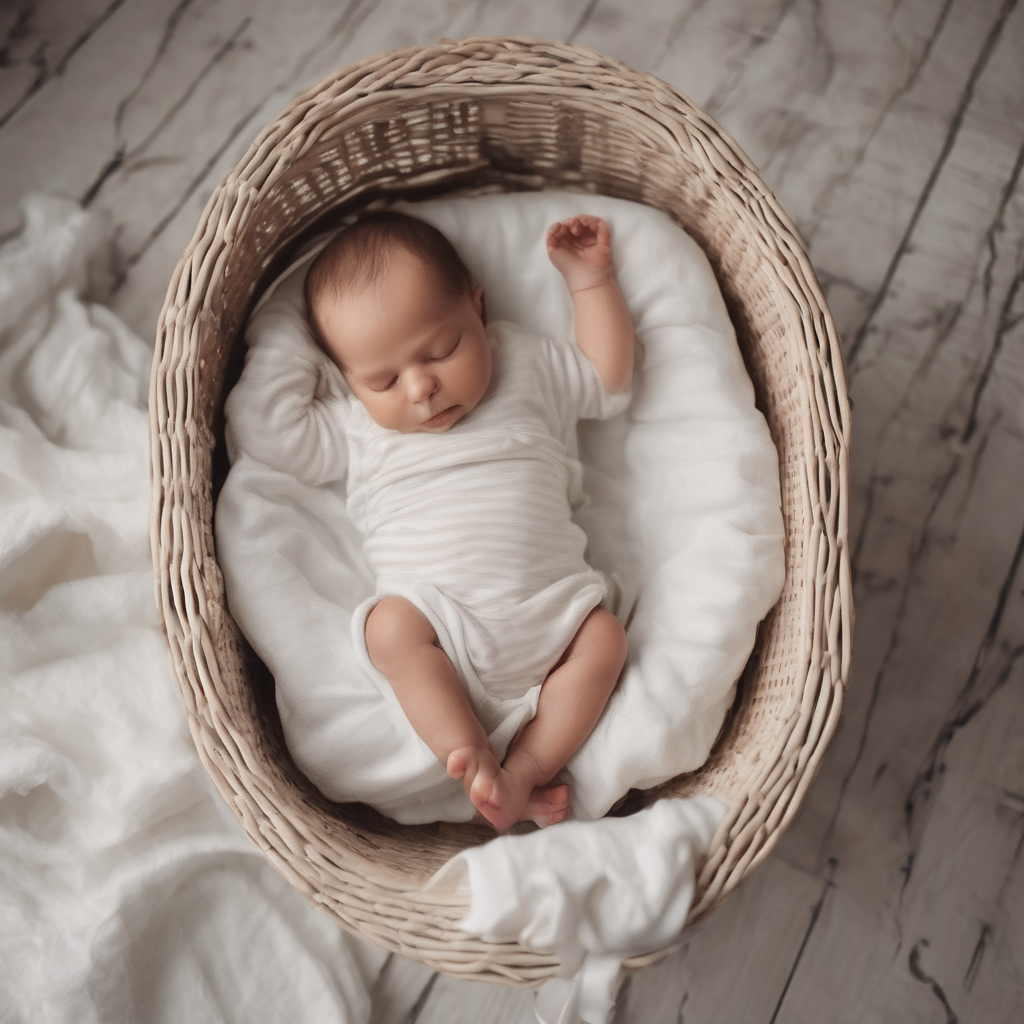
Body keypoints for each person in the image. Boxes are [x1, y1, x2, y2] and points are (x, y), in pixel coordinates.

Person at [304, 211, 634, 829]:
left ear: (478, 311)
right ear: (349, 382)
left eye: (442, 349)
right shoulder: (354, 425)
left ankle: (524, 773)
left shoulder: (527, 362)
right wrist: (286, 342)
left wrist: (589, 284)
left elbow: (608, 377)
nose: (421, 386)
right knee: (388, 630)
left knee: (606, 639)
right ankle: (469, 751)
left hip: (552, 612)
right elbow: (265, 436)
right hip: (441, 625)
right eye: (382, 379)